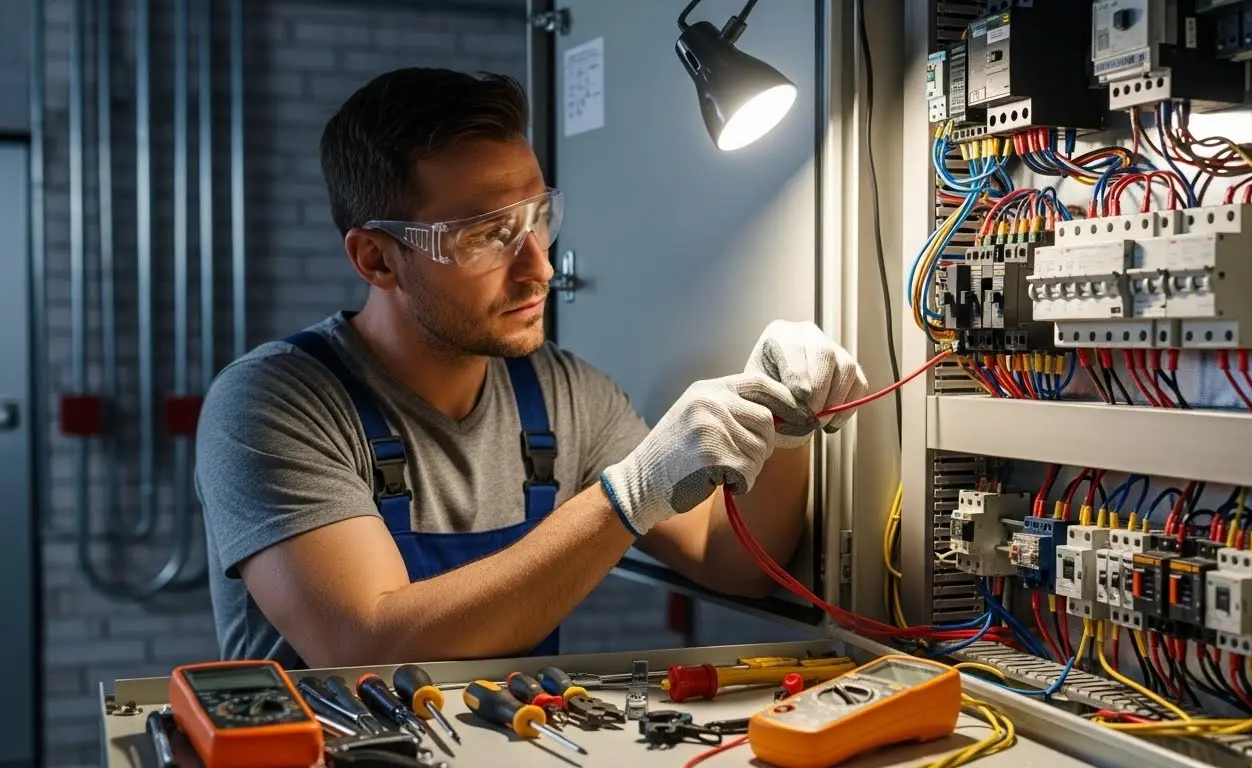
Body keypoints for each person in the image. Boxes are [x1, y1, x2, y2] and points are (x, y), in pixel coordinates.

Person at [195, 68, 868, 669]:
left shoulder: (563, 394)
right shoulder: (270, 405)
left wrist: (784, 425)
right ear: (376, 259)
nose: (541, 268)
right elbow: (366, 644)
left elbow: (731, 564)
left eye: (538, 217)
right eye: (488, 234)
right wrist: (628, 496)